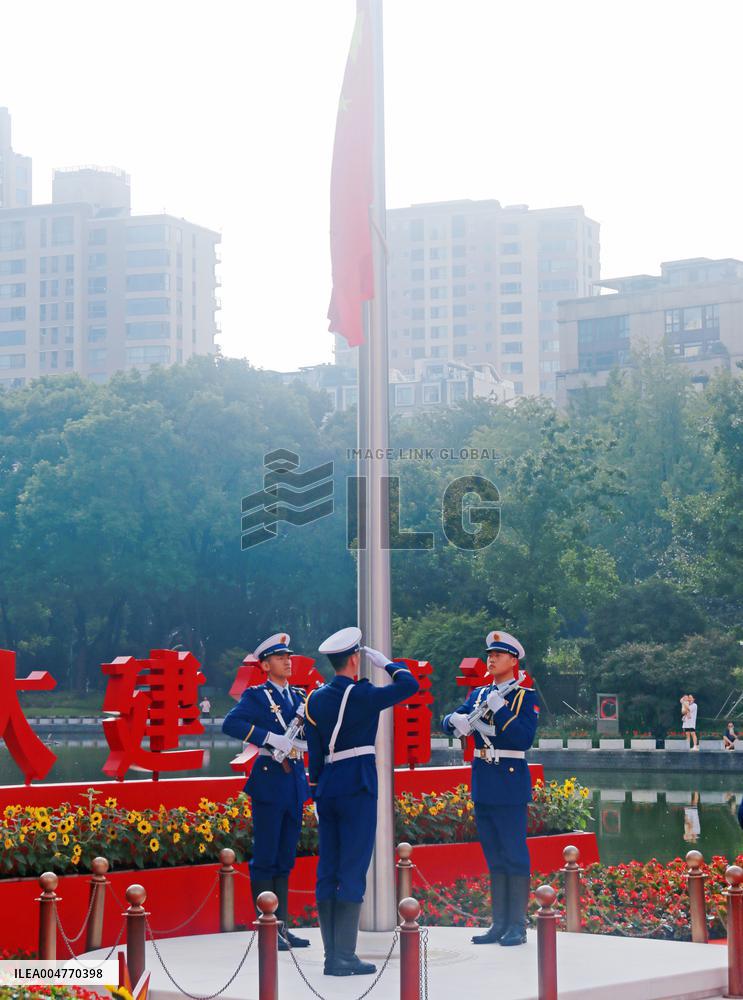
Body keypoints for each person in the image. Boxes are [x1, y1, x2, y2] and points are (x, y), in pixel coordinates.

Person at [305, 627, 419, 977]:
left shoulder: (315, 699)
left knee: (328, 869)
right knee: (353, 868)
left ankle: (331, 955)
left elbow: (314, 757)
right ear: (355, 659)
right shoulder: (362, 693)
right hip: (357, 785)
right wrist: (389, 664)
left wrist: (317, 790)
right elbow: (409, 686)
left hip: (327, 787)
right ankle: (345, 957)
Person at [442, 630, 539, 947]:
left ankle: (517, 925)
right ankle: (499, 923)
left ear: (513, 660)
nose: (491, 658)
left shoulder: (524, 697)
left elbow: (522, 738)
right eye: (489, 654)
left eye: (498, 655)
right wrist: (452, 721)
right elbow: (451, 718)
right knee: (494, 854)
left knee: (513, 853)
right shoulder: (479, 694)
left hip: (509, 780)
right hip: (483, 779)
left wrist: (500, 708)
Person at [222, 632, 310, 951]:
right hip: (270, 780)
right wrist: (270, 738)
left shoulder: (299, 697)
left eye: (289, 656)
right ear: (264, 664)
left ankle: (282, 927)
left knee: (285, 858)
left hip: (295, 782)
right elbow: (230, 724)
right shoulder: (257, 696)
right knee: (266, 857)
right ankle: (267, 928)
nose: (287, 661)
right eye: (279, 657)